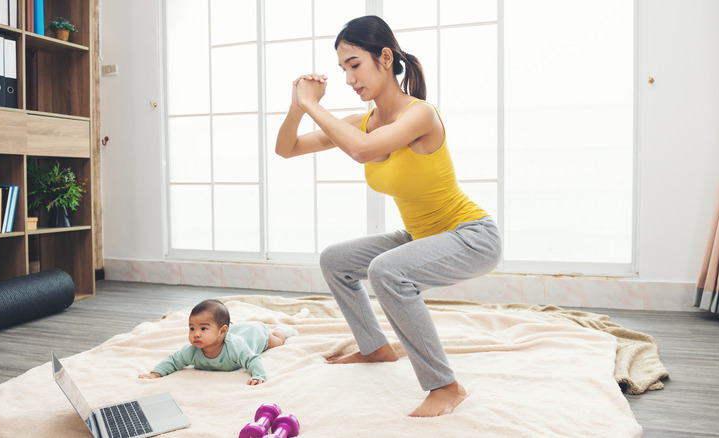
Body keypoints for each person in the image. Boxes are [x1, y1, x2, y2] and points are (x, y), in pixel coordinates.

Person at [275, 15, 502, 417]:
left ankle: (445, 386)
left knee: (386, 271)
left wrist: (313, 104)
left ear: (384, 58)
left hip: (471, 236)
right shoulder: (362, 122)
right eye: (343, 68)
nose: (348, 78)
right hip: (421, 237)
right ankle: (375, 348)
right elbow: (287, 148)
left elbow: (363, 150)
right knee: (335, 259)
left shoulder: (421, 114)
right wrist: (298, 104)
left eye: (354, 64)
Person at [138, 299, 297, 385]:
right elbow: (174, 360)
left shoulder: (235, 346)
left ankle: (282, 330)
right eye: (192, 328)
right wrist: (156, 373)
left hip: (255, 334)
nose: (196, 334)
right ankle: (231, 326)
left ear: (222, 332)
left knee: (277, 342)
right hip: (232, 330)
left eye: (203, 329)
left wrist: (259, 376)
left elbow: (253, 359)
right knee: (230, 328)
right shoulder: (192, 351)